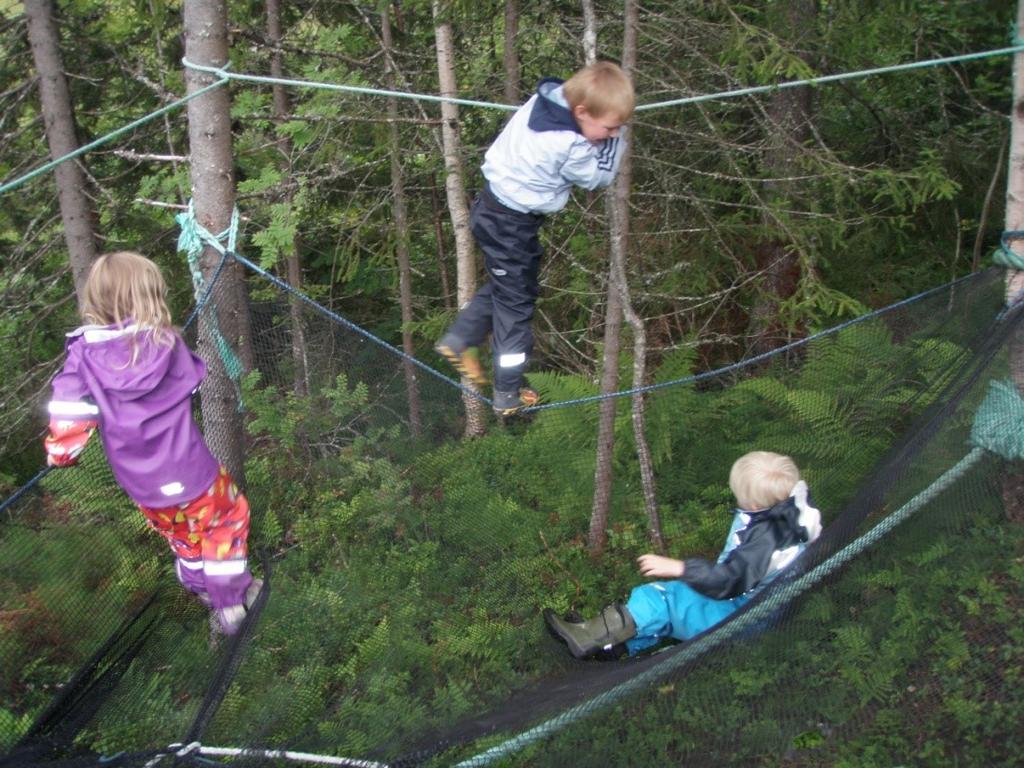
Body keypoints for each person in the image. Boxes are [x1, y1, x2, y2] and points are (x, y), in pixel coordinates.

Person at [43, 251, 261, 636]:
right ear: (149, 297)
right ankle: (230, 598)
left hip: (143, 487)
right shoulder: (167, 343)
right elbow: (193, 380)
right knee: (226, 519)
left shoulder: (83, 355)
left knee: (183, 535)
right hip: (193, 474)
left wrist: (62, 451)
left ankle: (200, 585)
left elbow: (68, 410)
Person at [435, 61, 635, 415]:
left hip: (498, 213)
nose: (612, 133)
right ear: (582, 112)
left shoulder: (545, 101)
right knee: (516, 308)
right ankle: (507, 393)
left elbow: (577, 95)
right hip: (509, 224)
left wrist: (610, 117)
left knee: (509, 288)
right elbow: (597, 178)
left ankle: (460, 339)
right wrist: (619, 141)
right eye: (608, 127)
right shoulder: (569, 144)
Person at [545, 451, 822, 659]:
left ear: (751, 503)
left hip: (742, 617)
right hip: (766, 609)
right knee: (677, 597)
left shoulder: (764, 539)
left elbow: (730, 580)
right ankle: (611, 647)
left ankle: (587, 638)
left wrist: (681, 568)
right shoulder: (792, 515)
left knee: (661, 598)